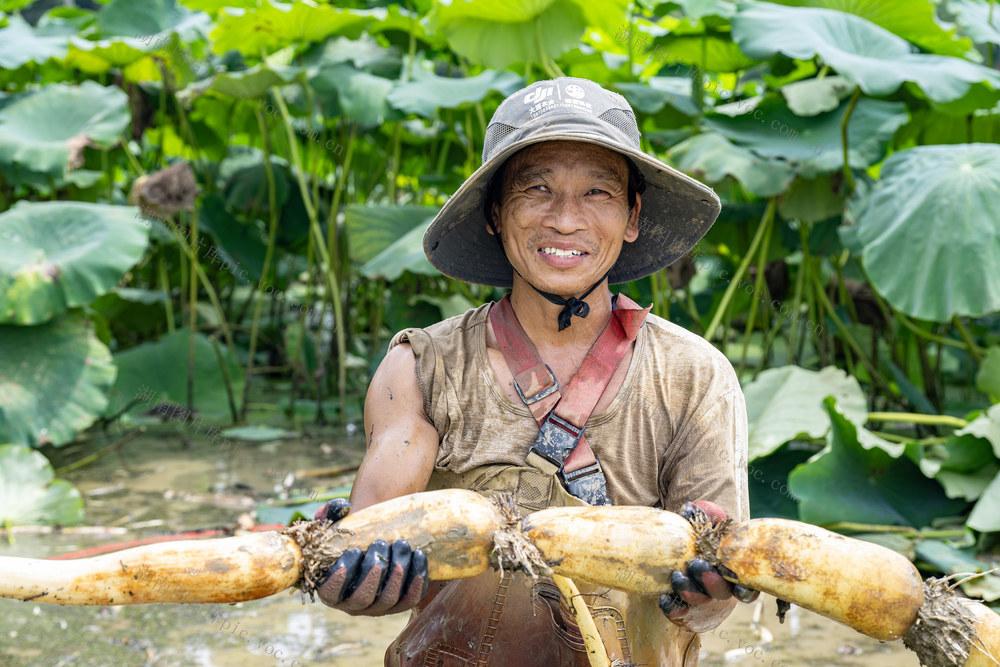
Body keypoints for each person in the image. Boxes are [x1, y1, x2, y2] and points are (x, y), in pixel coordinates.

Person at [312, 77, 755, 665]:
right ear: (495, 213)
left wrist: (705, 593)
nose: (565, 220)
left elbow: (714, 603)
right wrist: (351, 574)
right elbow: (371, 538)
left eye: (598, 192)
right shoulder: (420, 368)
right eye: (536, 189)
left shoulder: (695, 376)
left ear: (631, 216)